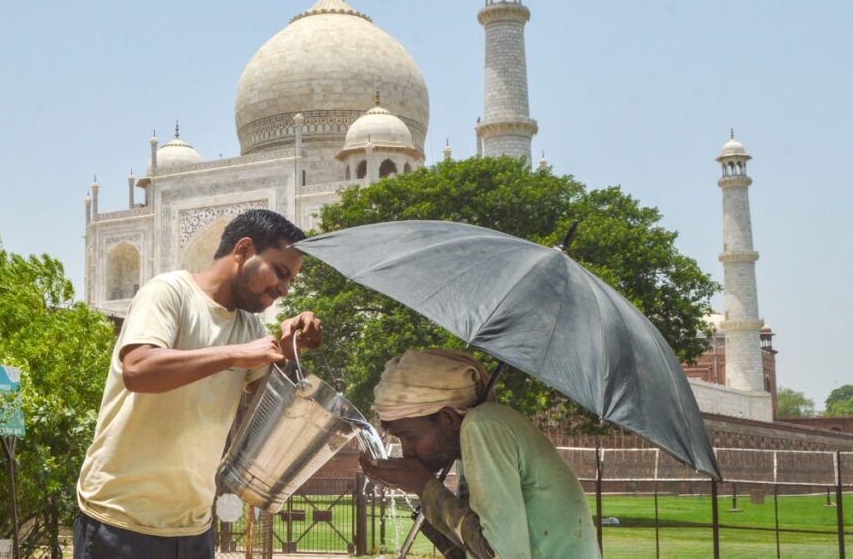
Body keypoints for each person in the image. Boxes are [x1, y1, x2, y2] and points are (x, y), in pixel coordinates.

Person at [75, 209, 322, 558]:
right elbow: (138, 368)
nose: (283, 289)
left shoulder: (248, 327)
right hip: (122, 521)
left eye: (290, 281)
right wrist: (234, 355)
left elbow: (273, 407)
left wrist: (288, 347)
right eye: (280, 272)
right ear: (244, 250)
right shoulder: (169, 292)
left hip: (193, 528)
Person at [360, 349, 600, 559]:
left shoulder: (482, 426)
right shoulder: (476, 435)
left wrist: (425, 486)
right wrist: (424, 492)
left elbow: (499, 554)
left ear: (448, 419)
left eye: (409, 437)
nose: (407, 452)